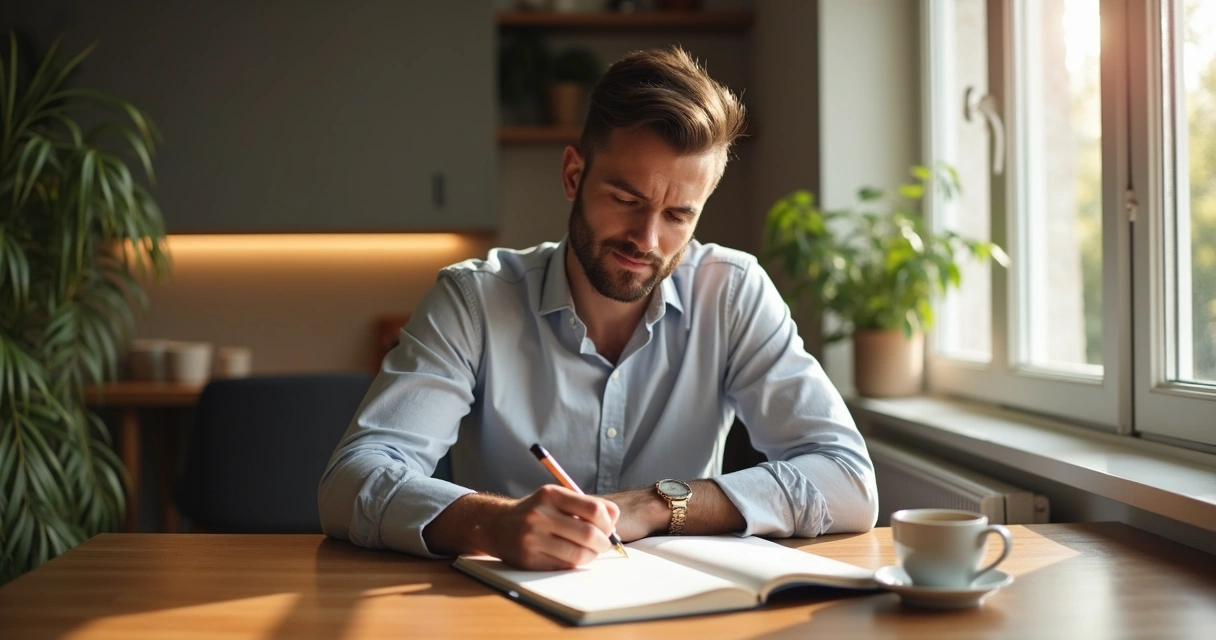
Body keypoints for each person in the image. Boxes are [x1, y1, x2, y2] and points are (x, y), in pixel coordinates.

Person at [318, 46, 878, 571]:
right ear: (572, 174)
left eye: (679, 215)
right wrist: (495, 524)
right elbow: (351, 482)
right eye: (626, 200)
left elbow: (848, 480)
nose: (648, 239)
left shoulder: (733, 292)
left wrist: (658, 504)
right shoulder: (475, 299)